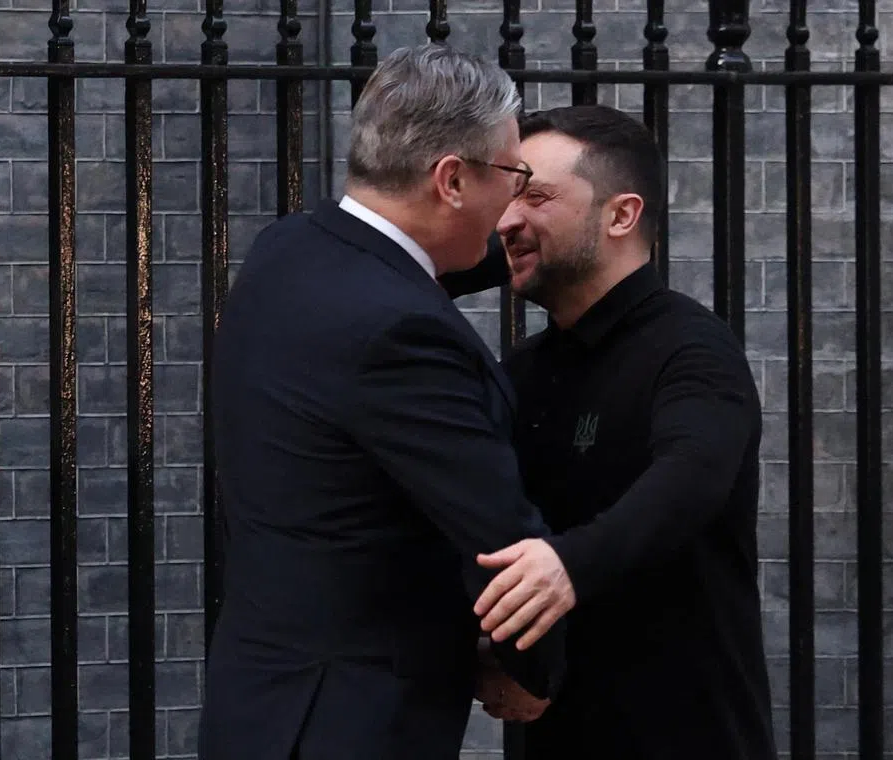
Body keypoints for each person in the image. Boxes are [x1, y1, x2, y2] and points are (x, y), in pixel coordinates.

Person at [198, 44, 575, 760]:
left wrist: (556, 237)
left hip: (263, 701)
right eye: (513, 176)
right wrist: (532, 670)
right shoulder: (399, 335)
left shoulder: (290, 250)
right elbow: (498, 535)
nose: (514, 202)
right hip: (351, 722)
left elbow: (404, 267)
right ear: (451, 180)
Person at [443, 105, 778, 759]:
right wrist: (492, 647)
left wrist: (568, 566)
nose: (506, 220)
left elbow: (692, 479)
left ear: (621, 215)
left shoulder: (691, 349)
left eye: (537, 197)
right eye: (510, 197)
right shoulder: (523, 370)